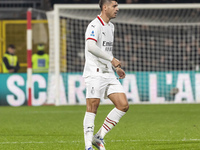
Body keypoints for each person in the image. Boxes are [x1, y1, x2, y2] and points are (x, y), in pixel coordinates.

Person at [83, 0, 129, 150]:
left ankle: (99, 136)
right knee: (93, 106)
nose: (117, 9)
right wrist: (112, 59)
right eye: (114, 6)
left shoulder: (111, 26)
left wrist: (115, 67)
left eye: (117, 6)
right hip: (94, 72)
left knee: (123, 105)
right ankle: (88, 146)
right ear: (105, 7)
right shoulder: (94, 25)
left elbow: (106, 51)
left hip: (108, 72)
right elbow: (90, 46)